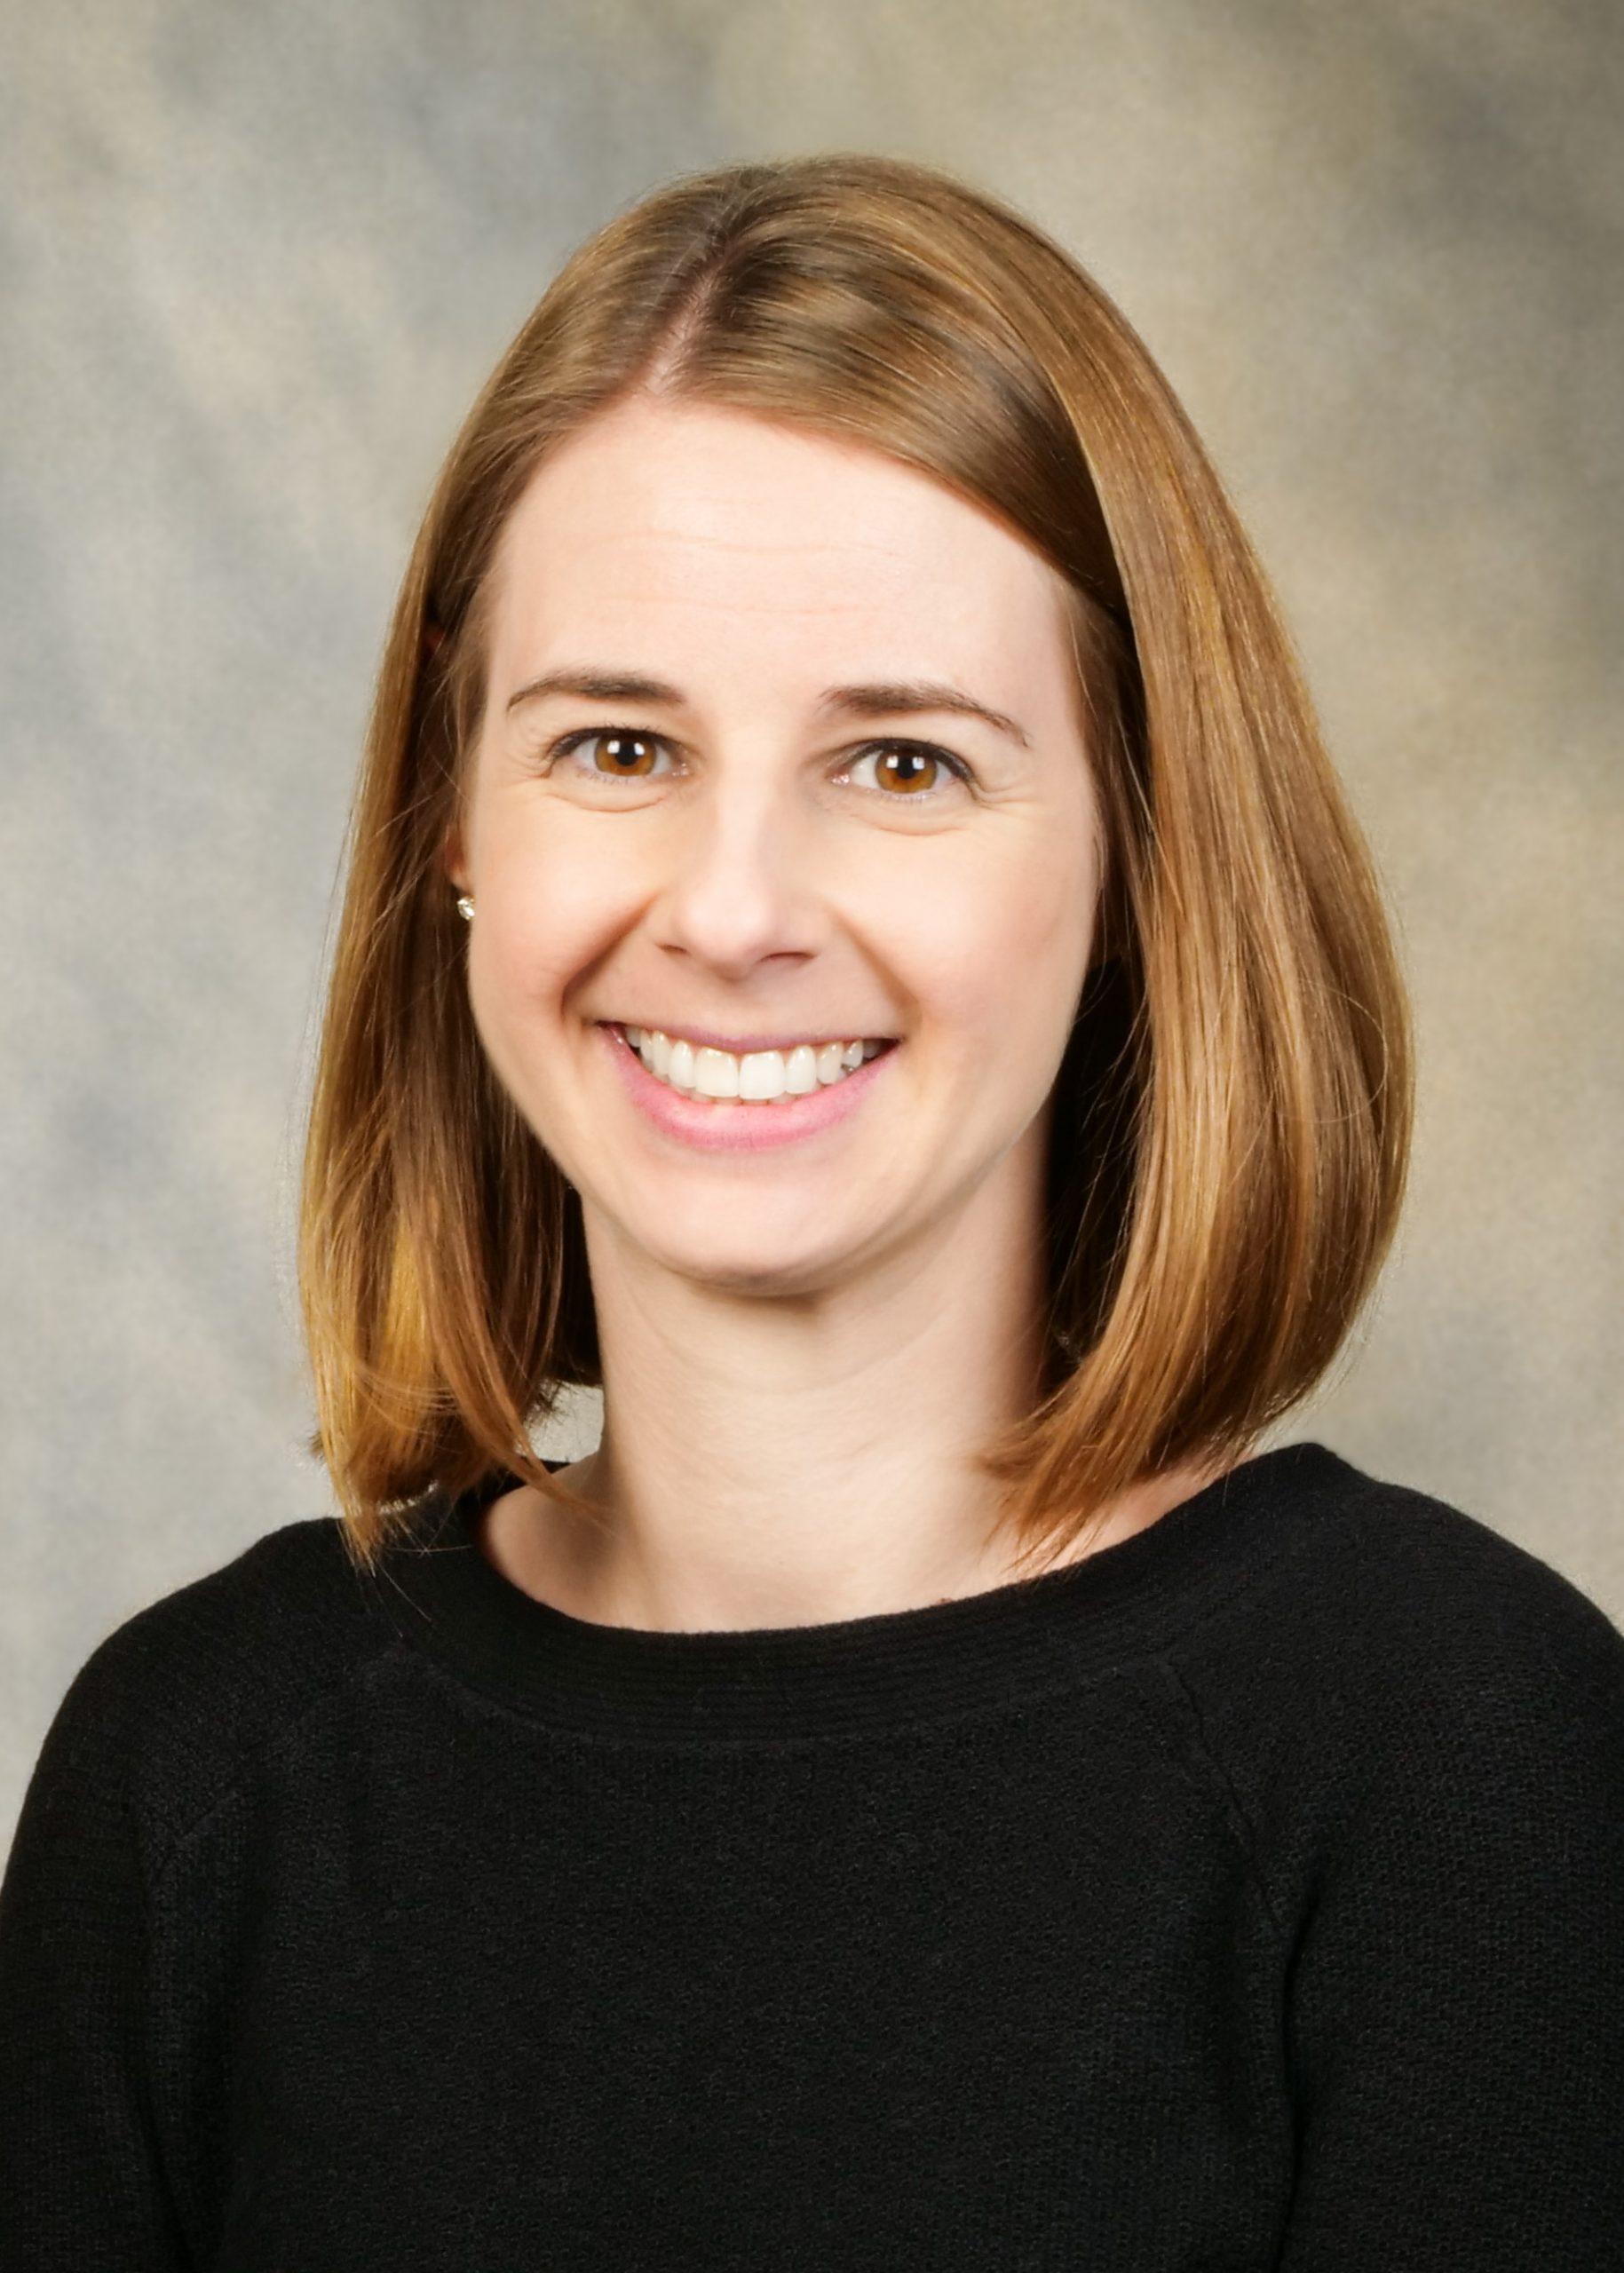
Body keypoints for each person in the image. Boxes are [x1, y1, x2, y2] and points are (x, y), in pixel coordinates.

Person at [1, 153, 1620, 2269]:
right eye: (613, 743)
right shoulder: (196, 1780)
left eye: (905, 765)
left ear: (1141, 862)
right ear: (457, 832)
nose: (737, 909)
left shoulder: (1462, 1765)